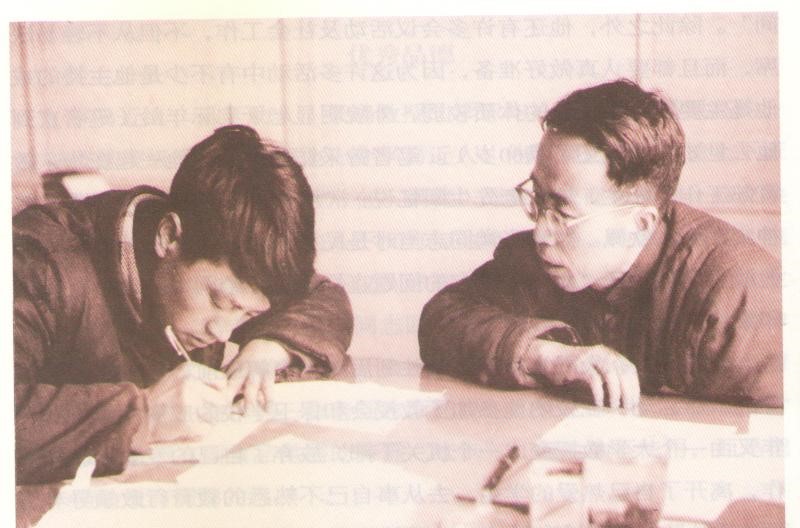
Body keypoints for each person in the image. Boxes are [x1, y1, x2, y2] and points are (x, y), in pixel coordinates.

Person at [14, 125, 354, 484]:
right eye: (218, 301)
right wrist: (142, 415)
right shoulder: (35, 263)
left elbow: (325, 297)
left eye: (249, 314)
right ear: (169, 236)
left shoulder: (230, 258)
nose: (222, 331)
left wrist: (268, 349)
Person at [419, 79, 782, 410]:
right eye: (538, 199)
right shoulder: (542, 260)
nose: (540, 233)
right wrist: (549, 357)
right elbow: (442, 319)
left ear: (639, 224)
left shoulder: (740, 297)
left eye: (563, 211)